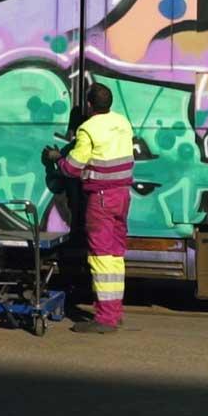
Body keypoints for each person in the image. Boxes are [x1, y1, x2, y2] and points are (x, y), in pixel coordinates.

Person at [44, 83, 134, 333]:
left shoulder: (88, 129)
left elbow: (73, 166)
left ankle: (105, 320)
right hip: (123, 195)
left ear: (89, 105)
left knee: (101, 257)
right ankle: (115, 312)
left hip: (102, 198)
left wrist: (56, 160)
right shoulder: (123, 122)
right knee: (116, 256)